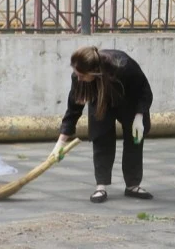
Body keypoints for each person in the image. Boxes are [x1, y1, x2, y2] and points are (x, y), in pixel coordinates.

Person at [58, 46, 154, 203]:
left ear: (94, 71)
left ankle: (133, 185)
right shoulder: (80, 76)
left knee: (135, 140)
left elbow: (144, 91)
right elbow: (73, 109)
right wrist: (60, 143)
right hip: (102, 102)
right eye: (76, 73)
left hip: (130, 101)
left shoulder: (123, 66)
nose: (78, 77)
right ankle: (100, 187)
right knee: (101, 137)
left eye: (81, 75)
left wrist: (139, 117)